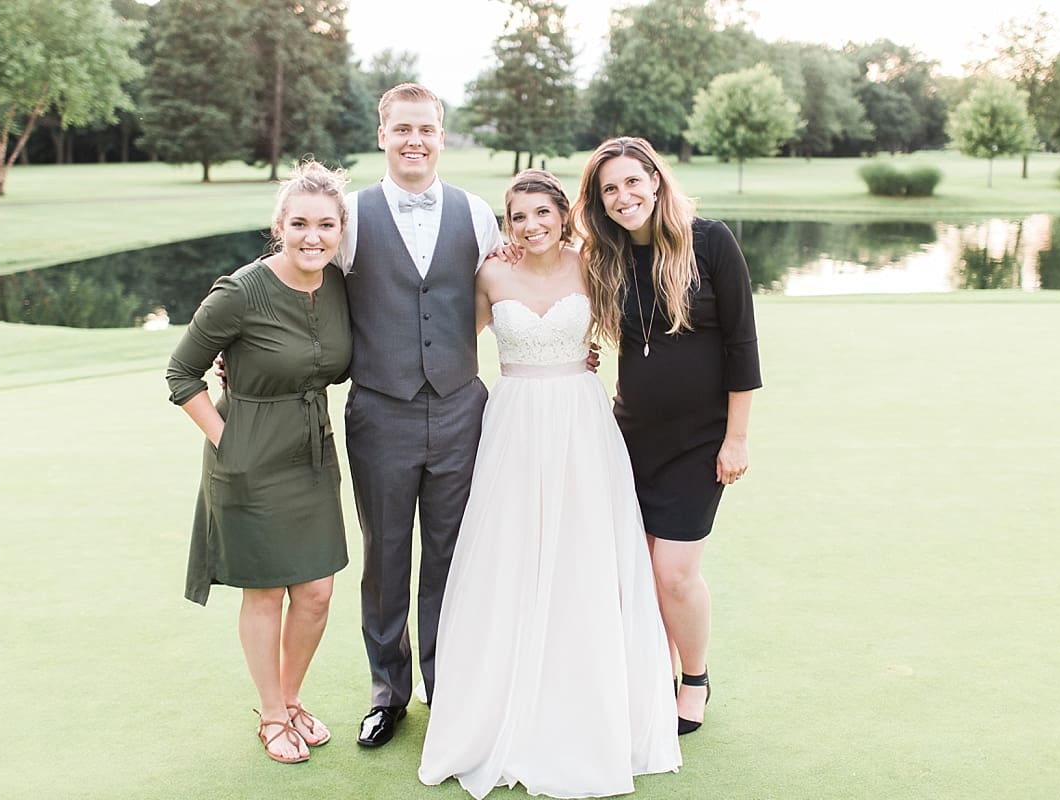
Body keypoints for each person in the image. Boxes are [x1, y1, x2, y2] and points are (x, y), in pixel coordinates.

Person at [417, 170, 681, 799]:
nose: (530, 226)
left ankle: (585, 699)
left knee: (583, 556)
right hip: (511, 424)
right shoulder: (491, 273)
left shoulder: (594, 264)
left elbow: (643, 325)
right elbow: (445, 341)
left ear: (565, 215)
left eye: (542, 213)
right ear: (506, 226)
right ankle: (498, 703)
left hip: (582, 425)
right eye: (518, 217)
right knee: (508, 555)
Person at [572, 136, 762, 736]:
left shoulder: (710, 241)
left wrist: (736, 439)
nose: (624, 196)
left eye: (633, 181)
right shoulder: (605, 257)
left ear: (655, 180)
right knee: (640, 568)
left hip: (700, 443)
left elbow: (742, 346)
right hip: (629, 437)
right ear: (600, 202)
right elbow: (551, 277)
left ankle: (695, 678)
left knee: (675, 571)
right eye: (610, 189)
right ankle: (654, 673)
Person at [165, 160, 353, 764]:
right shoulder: (240, 290)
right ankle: (271, 714)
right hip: (248, 456)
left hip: (311, 453)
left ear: (341, 229)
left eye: (326, 224)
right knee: (267, 592)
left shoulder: (338, 285)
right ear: (280, 224)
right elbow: (180, 373)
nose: (312, 236)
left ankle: (292, 699)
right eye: (299, 223)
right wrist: (228, 441)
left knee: (318, 592)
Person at [340, 83, 505, 747]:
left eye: (426, 130)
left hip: (462, 410)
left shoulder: (477, 214)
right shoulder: (348, 216)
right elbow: (303, 290)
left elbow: (505, 293)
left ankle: (447, 686)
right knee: (385, 557)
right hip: (380, 413)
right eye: (402, 128)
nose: (414, 141)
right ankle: (389, 692)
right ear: (382, 134)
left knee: (449, 556)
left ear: (441, 135)